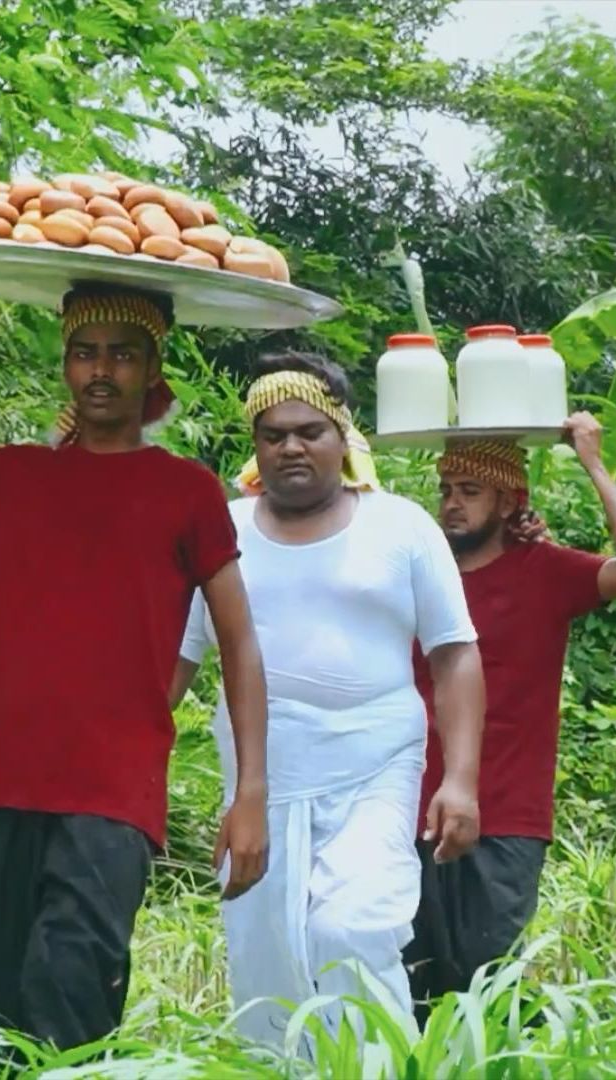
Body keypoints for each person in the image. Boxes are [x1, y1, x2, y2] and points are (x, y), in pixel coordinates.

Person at [0, 239, 269, 1050]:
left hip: (113, 794)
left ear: (150, 368)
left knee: (71, 992)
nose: (100, 371)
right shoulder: (10, 476)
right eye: (84, 353)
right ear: (66, 366)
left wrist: (250, 795)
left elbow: (240, 646)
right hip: (8, 786)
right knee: (1, 1017)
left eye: (122, 354)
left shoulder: (187, 491)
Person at [170, 352, 485, 1053]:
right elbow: (180, 660)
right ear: (255, 445)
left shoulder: (401, 528)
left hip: (376, 767)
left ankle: (379, 1068)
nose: (290, 446)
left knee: (353, 927)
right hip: (260, 779)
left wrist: (460, 778)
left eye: (309, 431)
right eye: (272, 434)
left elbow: (454, 652)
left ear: (343, 437)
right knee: (267, 957)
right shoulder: (222, 530)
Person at [402, 417, 616, 1016]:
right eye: (447, 490)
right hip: (408, 807)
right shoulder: (419, 570)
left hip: (507, 817)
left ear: (510, 499)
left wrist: (594, 463)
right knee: (411, 986)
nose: (452, 504)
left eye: (470, 492)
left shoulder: (544, 571)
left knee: (488, 989)